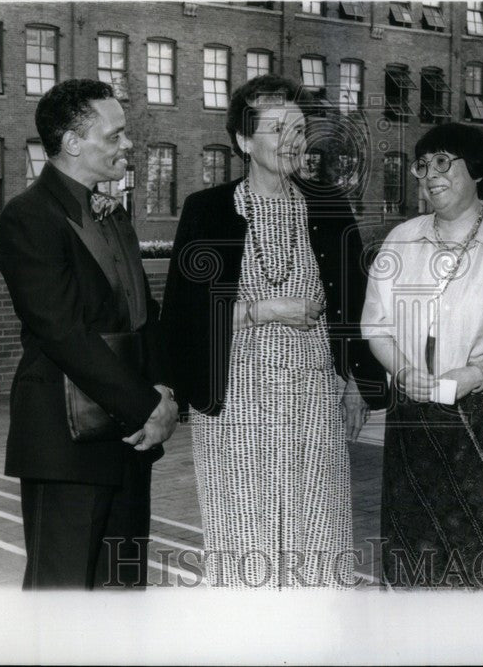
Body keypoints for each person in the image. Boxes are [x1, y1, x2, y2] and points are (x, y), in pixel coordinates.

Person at [156, 74, 386, 589]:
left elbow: (356, 304)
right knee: (243, 535)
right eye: (277, 128)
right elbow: (184, 319)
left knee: (317, 533)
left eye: (300, 128)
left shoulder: (328, 204)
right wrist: (264, 310)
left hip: (313, 399)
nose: (293, 140)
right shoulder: (207, 211)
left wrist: (359, 384)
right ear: (243, 140)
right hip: (235, 401)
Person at [0, 79, 178, 589]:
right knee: (63, 594)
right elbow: (63, 334)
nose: (127, 145)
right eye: (115, 135)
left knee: (123, 593)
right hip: (66, 444)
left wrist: (165, 390)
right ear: (73, 143)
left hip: (129, 441)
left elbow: (146, 312)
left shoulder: (112, 212)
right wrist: (148, 406)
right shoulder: (27, 217)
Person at [361, 122, 483, 588]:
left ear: (477, 170)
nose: (429, 175)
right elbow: (376, 323)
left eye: (443, 162)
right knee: (412, 558)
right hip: (413, 422)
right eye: (423, 165)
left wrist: (480, 372)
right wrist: (401, 370)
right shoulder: (402, 238)